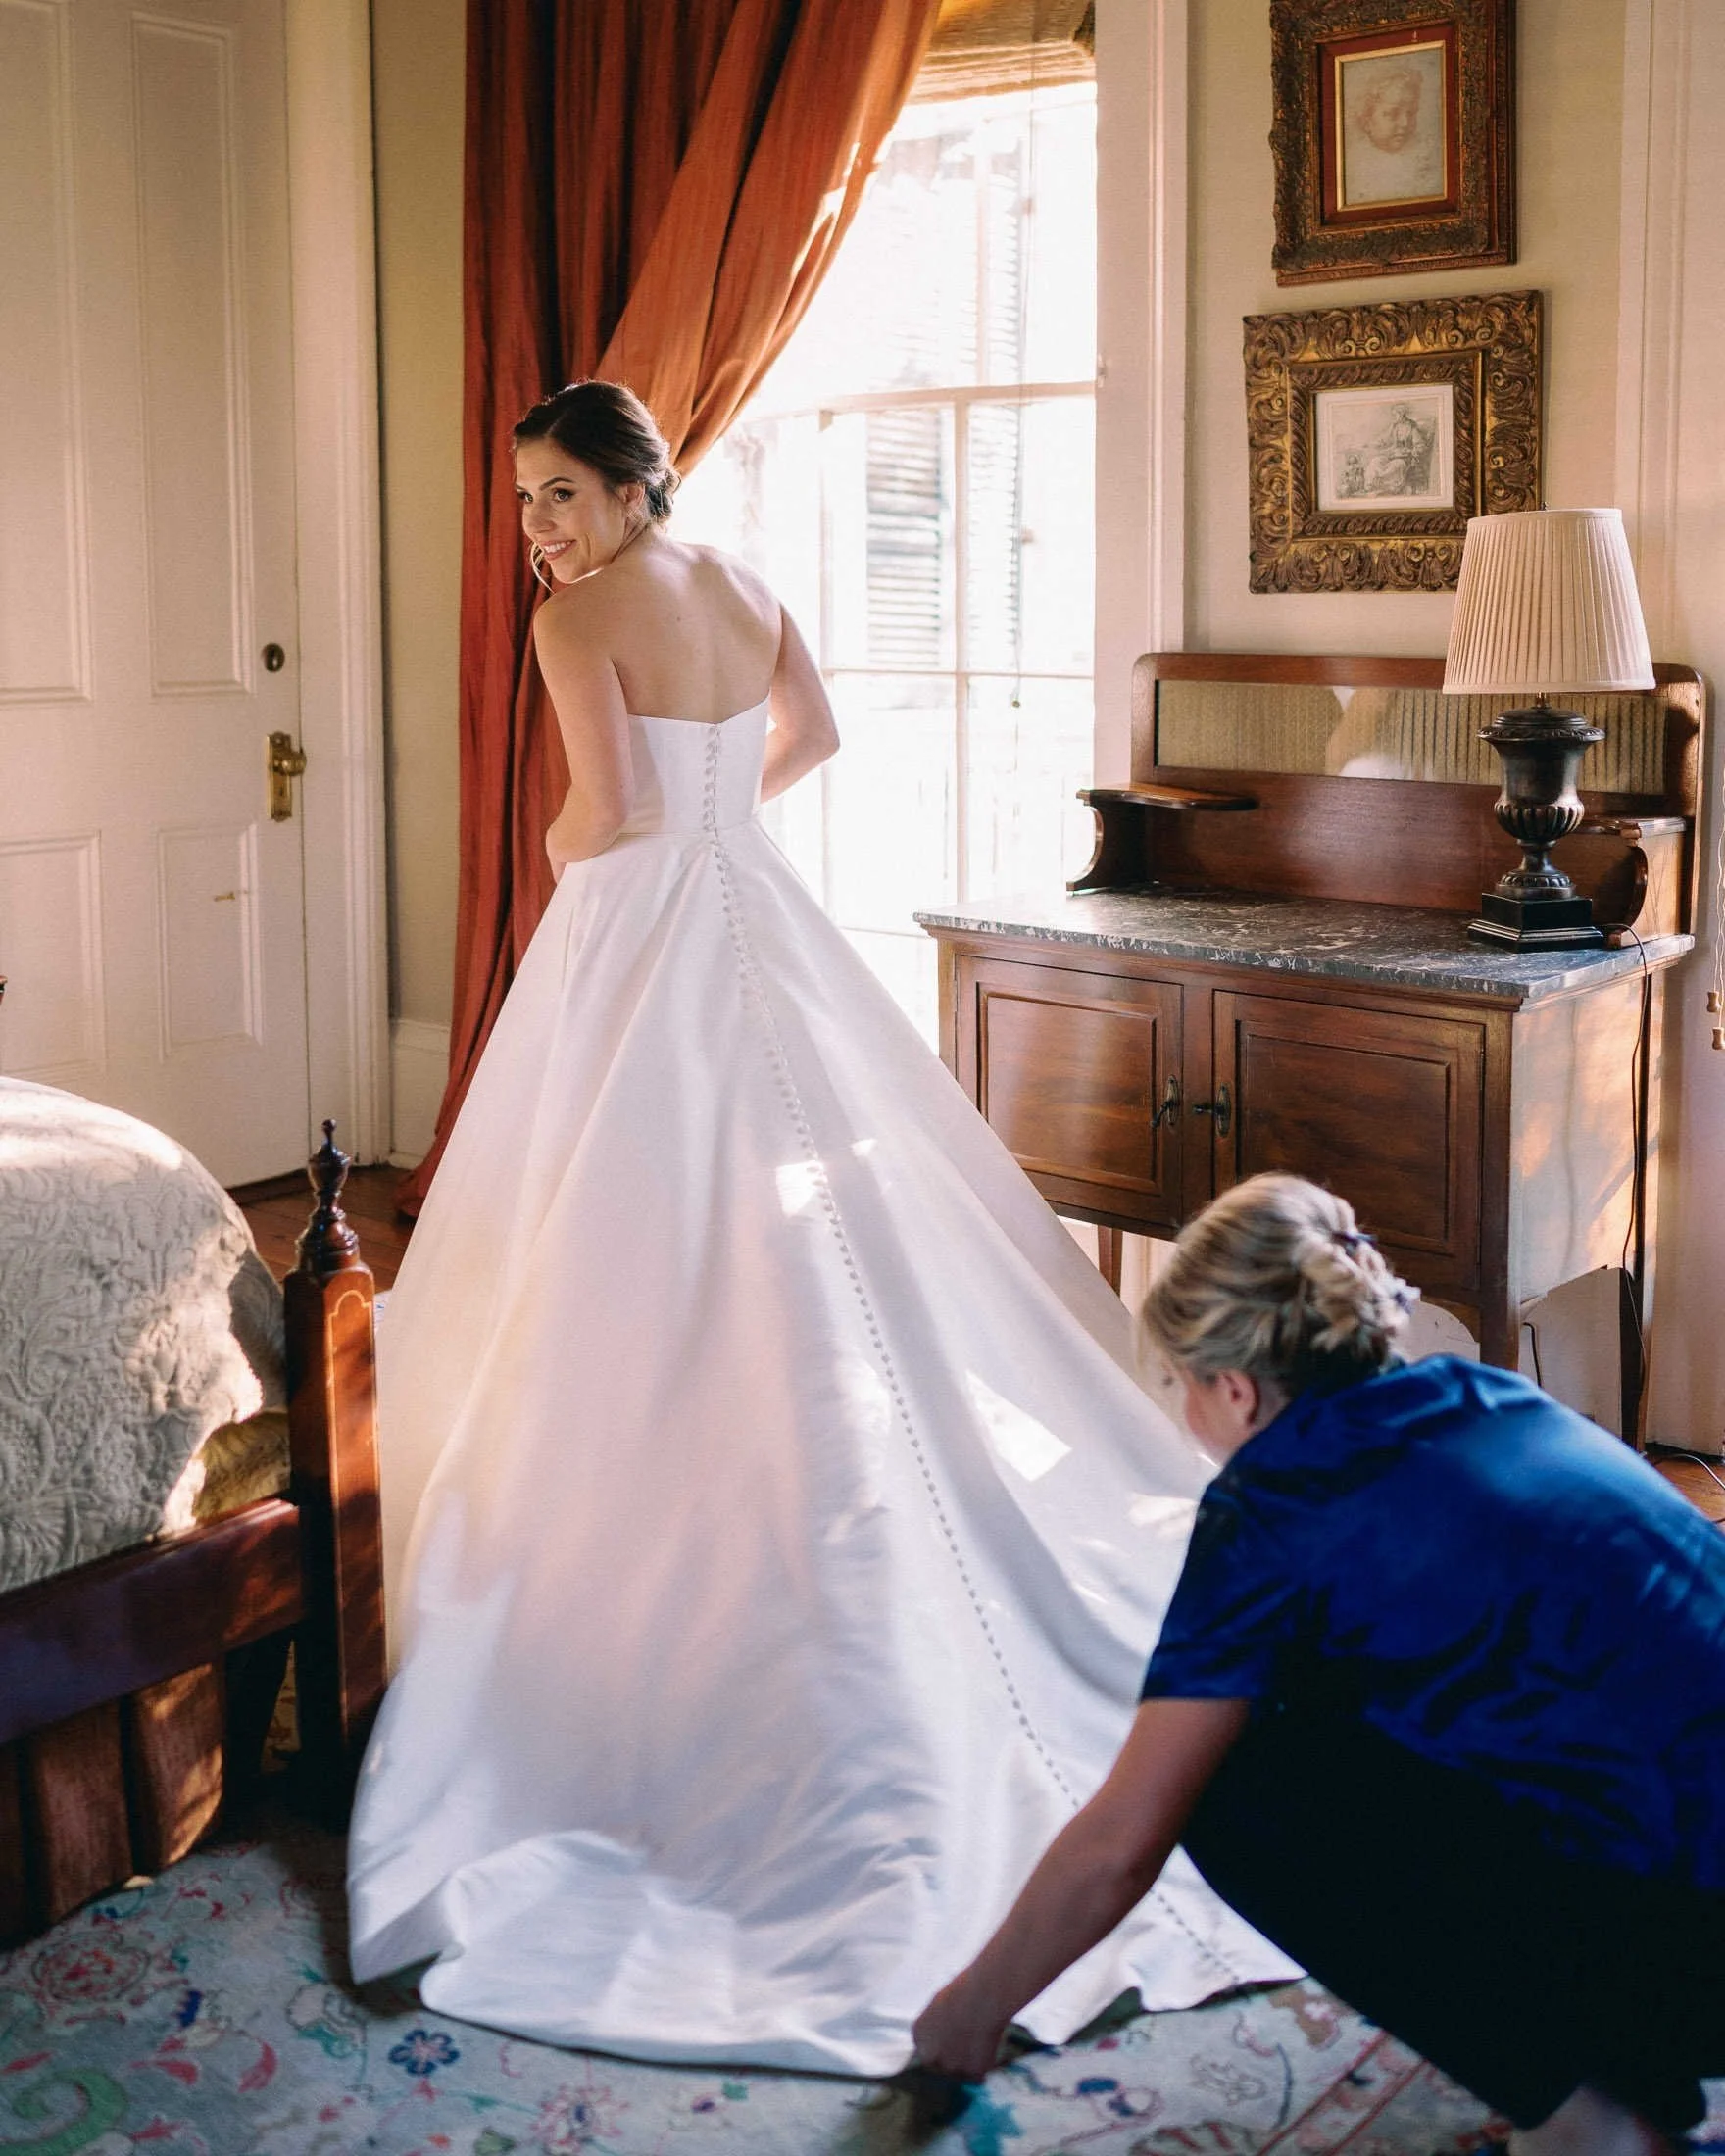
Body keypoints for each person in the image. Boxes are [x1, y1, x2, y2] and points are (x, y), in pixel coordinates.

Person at [344, 381, 1294, 2074]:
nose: (539, 530)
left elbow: (606, 816)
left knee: (634, 1235)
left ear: (637, 489)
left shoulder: (584, 621)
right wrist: (726, 827)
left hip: (646, 930)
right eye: (527, 502)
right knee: (814, 1226)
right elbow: (812, 740)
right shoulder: (743, 584)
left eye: (562, 495)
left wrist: (596, 862)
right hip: (753, 913)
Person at [913, 1172, 1725, 2152]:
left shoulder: (1268, 1509)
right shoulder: (1489, 1394)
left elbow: (1123, 1839)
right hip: (1696, 1896)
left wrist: (971, 2006)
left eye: (1177, 1387)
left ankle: (1585, 2117)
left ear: (1234, 1389)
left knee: (1234, 1786)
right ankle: (1639, 2071)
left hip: (1695, 1952)